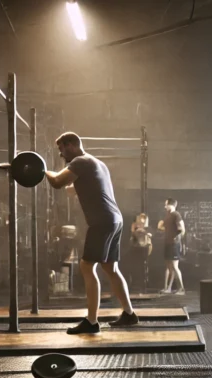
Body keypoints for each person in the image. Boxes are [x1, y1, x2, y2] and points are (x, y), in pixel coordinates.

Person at [44, 132, 139, 333]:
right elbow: (72, 188)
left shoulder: (79, 161)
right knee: (110, 268)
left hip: (102, 221)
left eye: (61, 149)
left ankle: (92, 322)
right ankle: (129, 314)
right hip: (115, 219)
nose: (61, 154)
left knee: (87, 266)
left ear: (71, 145)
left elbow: (58, 183)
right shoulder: (96, 163)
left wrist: (42, 169)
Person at [158, 199, 186, 294]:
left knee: (175, 266)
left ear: (171, 205)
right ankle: (168, 288)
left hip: (174, 244)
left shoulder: (176, 214)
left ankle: (181, 289)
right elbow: (164, 228)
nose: (165, 207)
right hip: (168, 243)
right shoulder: (168, 216)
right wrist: (160, 226)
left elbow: (182, 229)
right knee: (169, 267)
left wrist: (176, 237)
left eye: (166, 205)